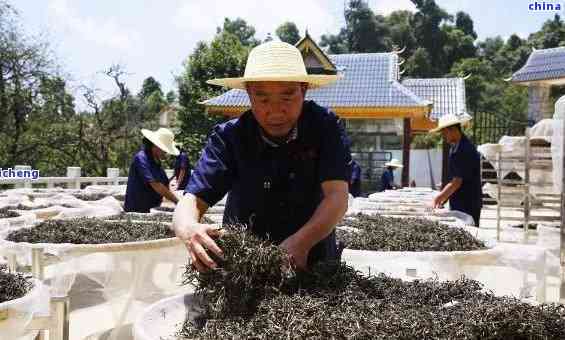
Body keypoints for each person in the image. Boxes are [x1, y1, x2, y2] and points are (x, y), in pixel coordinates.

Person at [173, 41, 351, 271]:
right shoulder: (229, 137)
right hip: (244, 266)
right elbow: (191, 202)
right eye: (263, 99)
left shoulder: (325, 128)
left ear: (304, 89)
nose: (276, 111)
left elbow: (337, 197)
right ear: (248, 94)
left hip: (312, 259)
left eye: (287, 97)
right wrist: (188, 228)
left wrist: (300, 243)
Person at [430, 114, 482, 226]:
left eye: (444, 132)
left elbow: (456, 182)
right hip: (460, 201)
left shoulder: (464, 149)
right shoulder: (456, 147)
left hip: (468, 203)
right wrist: (444, 197)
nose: (443, 136)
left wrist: (439, 198)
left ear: (452, 130)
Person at [124, 128, 180, 213]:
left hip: (152, 209)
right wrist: (177, 201)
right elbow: (156, 185)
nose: (166, 153)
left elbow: (165, 185)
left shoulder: (157, 162)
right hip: (136, 210)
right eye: (165, 150)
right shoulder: (141, 158)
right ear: (156, 146)